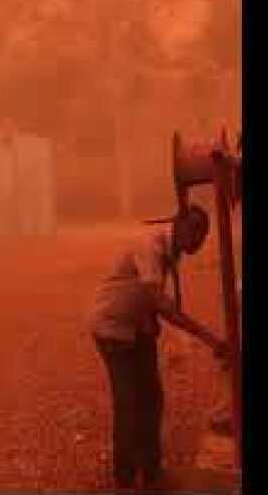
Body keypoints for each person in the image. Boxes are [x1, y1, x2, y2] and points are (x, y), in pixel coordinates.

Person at [89, 204, 230, 490]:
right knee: (129, 404)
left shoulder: (170, 248)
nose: (199, 245)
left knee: (152, 399)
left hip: (137, 329)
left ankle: (151, 471)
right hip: (113, 328)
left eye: (203, 239)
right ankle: (125, 479)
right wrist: (209, 338)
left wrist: (150, 322)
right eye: (197, 237)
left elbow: (149, 297)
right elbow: (160, 302)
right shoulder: (150, 245)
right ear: (182, 227)